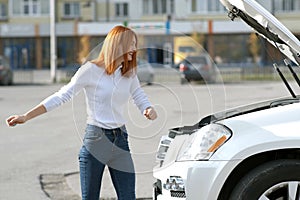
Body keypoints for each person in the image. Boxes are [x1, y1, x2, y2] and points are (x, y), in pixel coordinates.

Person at [6, 25, 157, 200]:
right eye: (131, 43)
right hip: (96, 141)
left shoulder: (129, 73)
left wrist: (147, 108)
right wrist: (26, 116)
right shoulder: (90, 70)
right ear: (118, 45)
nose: (134, 48)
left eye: (135, 43)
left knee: (128, 196)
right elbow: (62, 95)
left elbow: (139, 95)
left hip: (121, 141)